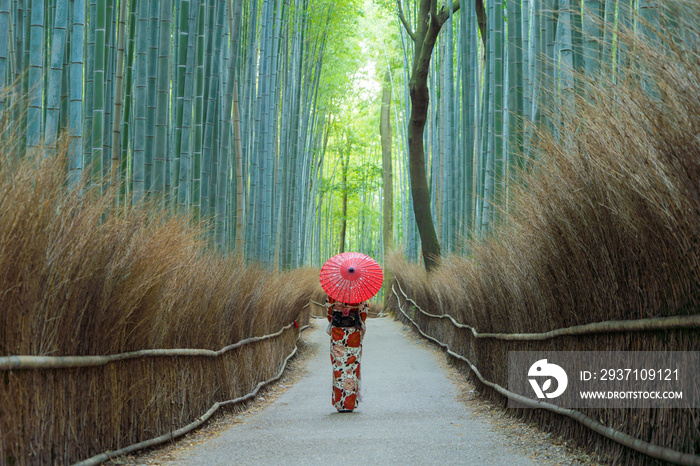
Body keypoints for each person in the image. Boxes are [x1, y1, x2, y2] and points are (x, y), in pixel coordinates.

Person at [325, 296, 369, 413]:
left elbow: (329, 314)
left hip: (338, 333)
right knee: (352, 367)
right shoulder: (359, 292)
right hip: (353, 332)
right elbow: (363, 313)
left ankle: (340, 404)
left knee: (339, 366)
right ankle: (350, 404)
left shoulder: (334, 293)